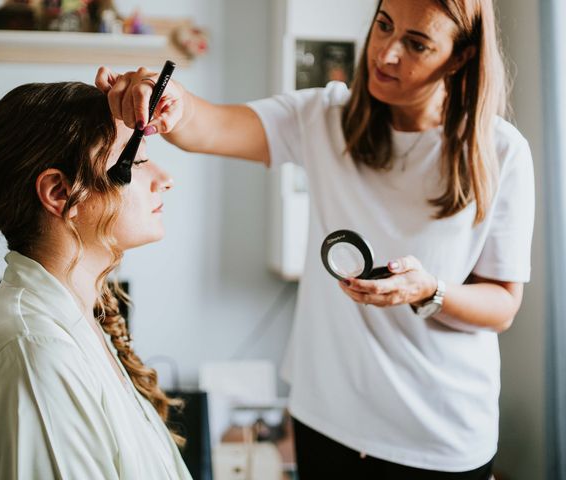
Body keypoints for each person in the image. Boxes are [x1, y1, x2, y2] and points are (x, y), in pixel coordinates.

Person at [95, 0, 534, 478]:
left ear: (460, 56)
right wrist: (169, 100)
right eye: (384, 26)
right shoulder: (323, 117)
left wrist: (430, 292)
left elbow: (503, 305)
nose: (385, 54)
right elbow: (208, 125)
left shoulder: (501, 151)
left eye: (416, 43)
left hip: (439, 434)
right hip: (327, 420)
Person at [0, 82, 192, 480]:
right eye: (137, 163)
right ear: (60, 192)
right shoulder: (35, 355)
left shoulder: (71, 327)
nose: (165, 178)